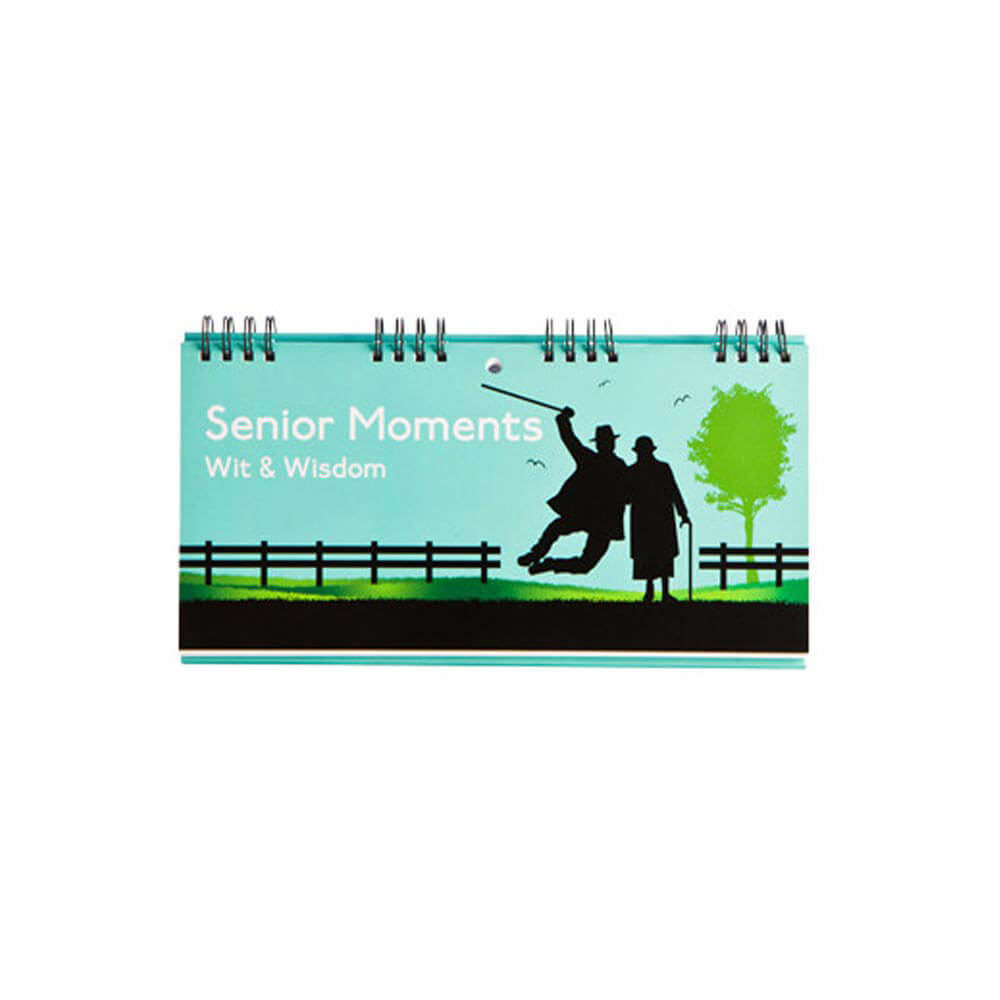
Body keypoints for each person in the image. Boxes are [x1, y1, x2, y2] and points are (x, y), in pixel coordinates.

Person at [518, 407, 627, 575]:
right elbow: (569, 439)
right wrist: (563, 419)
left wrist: (563, 419)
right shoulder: (596, 461)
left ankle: (546, 562)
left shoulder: (615, 466)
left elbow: (627, 494)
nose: (607, 444)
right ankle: (537, 555)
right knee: (557, 529)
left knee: (584, 562)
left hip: (600, 521)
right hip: (587, 516)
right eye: (605, 441)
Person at [626, 435, 690, 602]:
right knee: (653, 554)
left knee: (658, 554)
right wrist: (683, 513)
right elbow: (674, 492)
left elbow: (673, 491)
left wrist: (683, 513)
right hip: (654, 518)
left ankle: (657, 592)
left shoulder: (640, 470)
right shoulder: (658, 469)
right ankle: (656, 592)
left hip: (652, 518)